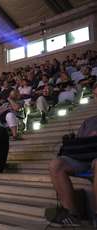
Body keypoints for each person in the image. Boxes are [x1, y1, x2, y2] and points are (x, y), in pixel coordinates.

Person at [48, 83, 97, 227]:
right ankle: (71, 213)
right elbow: (80, 142)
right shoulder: (89, 121)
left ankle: (95, 214)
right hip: (84, 158)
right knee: (56, 164)